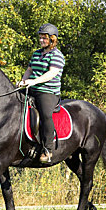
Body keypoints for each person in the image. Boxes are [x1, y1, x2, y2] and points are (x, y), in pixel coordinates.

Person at [17, 23, 65, 163]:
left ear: (52, 39)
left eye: (44, 38)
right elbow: (29, 70)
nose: (41, 40)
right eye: (40, 38)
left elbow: (51, 74)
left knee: (45, 115)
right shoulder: (37, 53)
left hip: (48, 91)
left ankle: (47, 149)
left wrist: (33, 81)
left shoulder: (57, 55)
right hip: (32, 88)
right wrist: (24, 80)